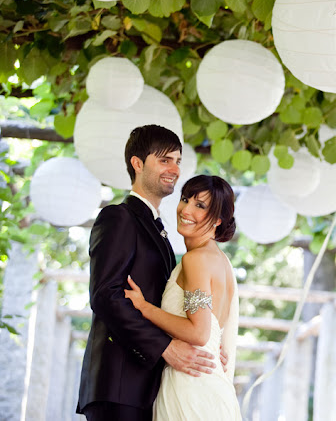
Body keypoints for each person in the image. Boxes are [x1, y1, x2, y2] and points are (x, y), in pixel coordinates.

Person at [77, 125, 221, 421]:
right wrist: (165, 347)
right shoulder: (119, 217)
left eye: (178, 161)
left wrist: (207, 345)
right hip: (119, 386)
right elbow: (106, 296)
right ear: (138, 163)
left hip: (148, 387)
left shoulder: (163, 233)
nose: (175, 169)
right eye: (165, 160)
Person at [124, 174, 241, 420]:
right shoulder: (221, 261)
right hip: (210, 383)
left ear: (218, 220)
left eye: (200, 205)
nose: (186, 209)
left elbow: (199, 333)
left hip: (191, 387)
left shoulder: (196, 260)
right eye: (185, 199)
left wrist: (144, 308)